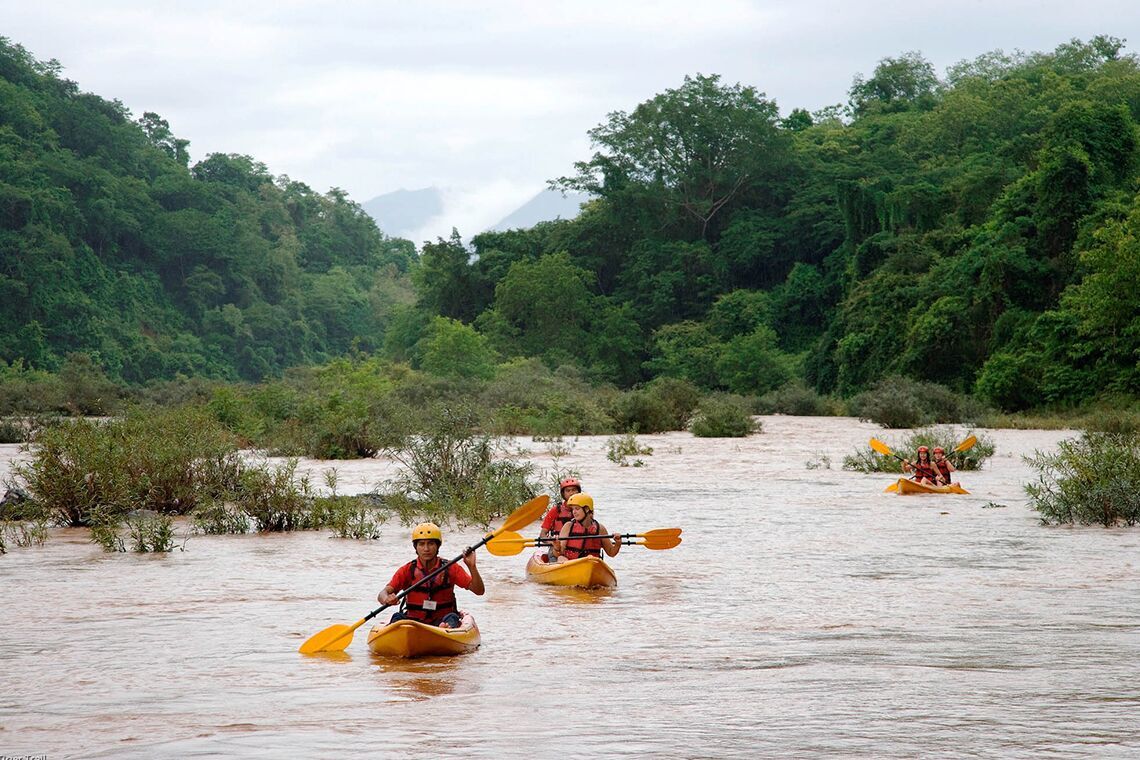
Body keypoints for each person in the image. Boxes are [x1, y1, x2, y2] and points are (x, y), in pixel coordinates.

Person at [377, 522, 484, 629]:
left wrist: (472, 567)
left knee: (452, 618)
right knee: (397, 617)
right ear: (416, 547)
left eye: (431, 543)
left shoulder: (451, 568)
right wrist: (387, 599)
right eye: (422, 544)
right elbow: (382, 594)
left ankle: (445, 628)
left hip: (443, 619)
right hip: (413, 621)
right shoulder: (408, 570)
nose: (426, 549)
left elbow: (479, 591)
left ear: (438, 546)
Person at [556, 493, 621, 563]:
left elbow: (611, 552)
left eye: (577, 509)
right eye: (573, 509)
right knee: (561, 558)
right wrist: (557, 546)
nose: (574, 512)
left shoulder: (600, 529)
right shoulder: (568, 526)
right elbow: (560, 552)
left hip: (592, 563)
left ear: (586, 509)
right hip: (572, 564)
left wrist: (618, 543)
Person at [539, 477, 581, 561]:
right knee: (555, 556)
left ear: (578, 492)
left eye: (573, 490)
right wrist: (553, 542)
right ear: (563, 494)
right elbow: (542, 535)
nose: (571, 493)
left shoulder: (584, 510)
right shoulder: (556, 510)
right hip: (557, 549)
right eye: (568, 491)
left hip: (578, 547)